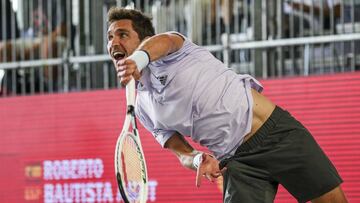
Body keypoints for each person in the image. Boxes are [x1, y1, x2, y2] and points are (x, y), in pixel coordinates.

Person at [106, 7, 348, 203]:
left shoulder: (174, 49)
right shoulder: (143, 107)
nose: (113, 41)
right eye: (110, 37)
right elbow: (180, 152)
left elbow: (163, 42)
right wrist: (197, 159)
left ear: (144, 39)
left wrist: (138, 58)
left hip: (275, 133)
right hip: (237, 162)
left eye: (122, 34)